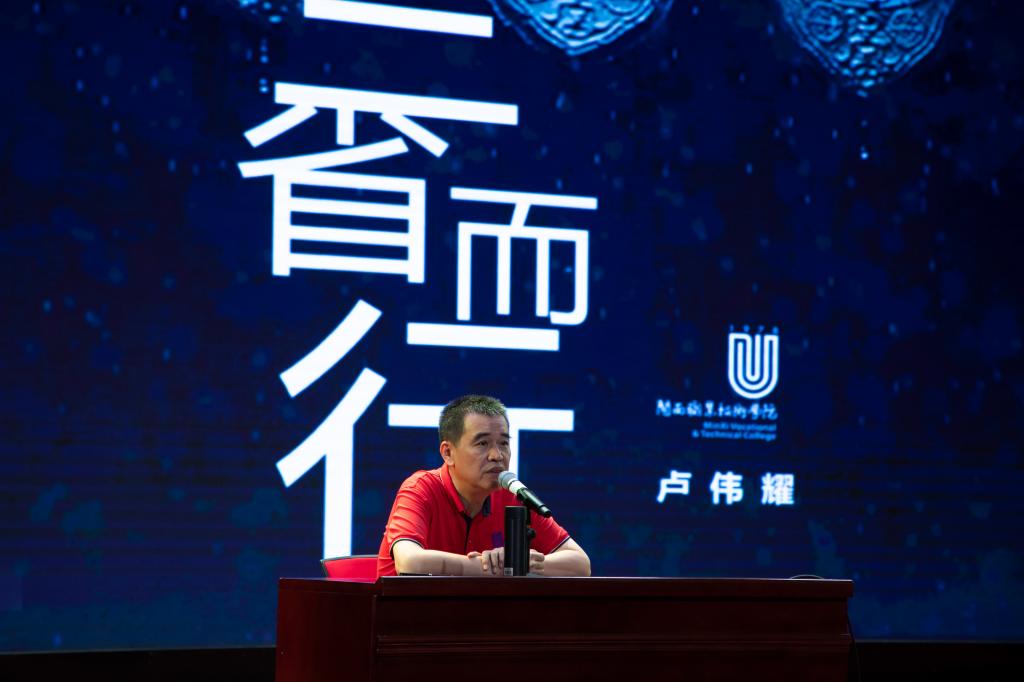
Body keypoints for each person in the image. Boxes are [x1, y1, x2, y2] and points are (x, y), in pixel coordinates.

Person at [376, 395, 591, 577]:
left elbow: (581, 564)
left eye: (504, 443)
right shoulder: (420, 489)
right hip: (406, 612)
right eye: (482, 443)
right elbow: (409, 562)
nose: (497, 455)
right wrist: (491, 567)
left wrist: (521, 562)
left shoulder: (513, 495)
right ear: (448, 453)